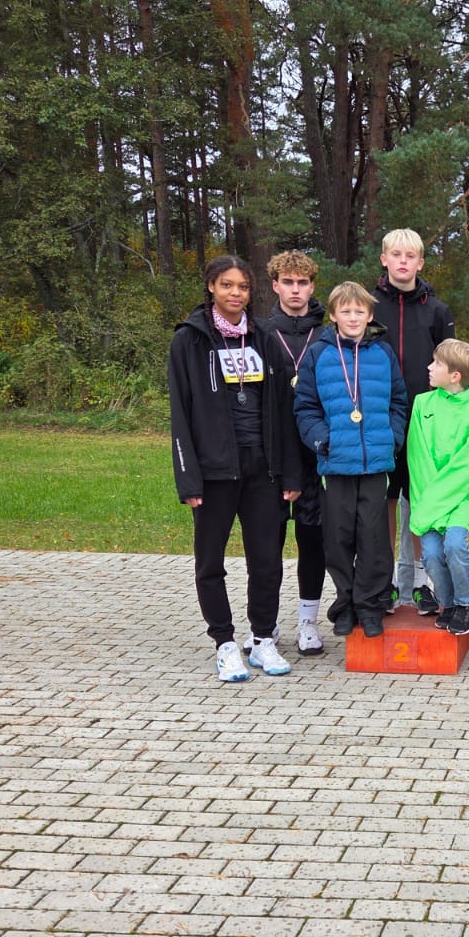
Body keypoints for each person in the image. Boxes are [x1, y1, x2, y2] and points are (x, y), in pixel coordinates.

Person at [168, 255, 303, 682]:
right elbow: (180, 414)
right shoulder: (189, 340)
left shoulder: (265, 337)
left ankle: (262, 639)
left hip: (263, 469)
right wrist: (188, 478)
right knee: (210, 562)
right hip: (214, 472)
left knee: (267, 560)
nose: (235, 293)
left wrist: (291, 473)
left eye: (242, 287)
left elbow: (284, 409)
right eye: (227, 285)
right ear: (211, 286)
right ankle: (225, 644)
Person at [294, 281, 409, 640]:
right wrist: (322, 439)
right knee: (338, 540)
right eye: (346, 311)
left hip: (375, 463)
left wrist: (393, 437)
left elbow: (399, 402)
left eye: (360, 311)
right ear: (333, 315)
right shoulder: (319, 354)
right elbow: (306, 407)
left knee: (374, 540)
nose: (353, 317)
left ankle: (371, 606)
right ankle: (345, 604)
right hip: (336, 463)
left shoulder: (383, 353)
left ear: (370, 315)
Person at [373, 229, 457, 617]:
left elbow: (450, 367)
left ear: (421, 262)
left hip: (426, 420)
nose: (403, 261)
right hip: (380, 419)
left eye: (410, 256)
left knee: (422, 502)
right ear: (384, 259)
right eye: (396, 255)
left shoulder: (437, 310)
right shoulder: (369, 306)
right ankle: (386, 582)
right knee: (385, 502)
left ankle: (423, 583)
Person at [262, 250, 328, 656]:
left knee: (312, 539)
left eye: (302, 283)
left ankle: (308, 622)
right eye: (288, 282)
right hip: (271, 452)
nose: (295, 290)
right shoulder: (261, 332)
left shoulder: (327, 333)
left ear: (312, 286)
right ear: (275, 286)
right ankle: (265, 625)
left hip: (312, 453)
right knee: (267, 543)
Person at [408, 338, 469, 636]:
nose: (429, 367)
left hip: (460, 499)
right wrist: (430, 500)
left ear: (455, 375)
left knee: (455, 545)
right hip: (428, 498)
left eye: (437, 363)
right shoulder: (422, 404)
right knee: (431, 554)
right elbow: (418, 456)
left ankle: (466, 603)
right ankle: (448, 604)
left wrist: (442, 499)